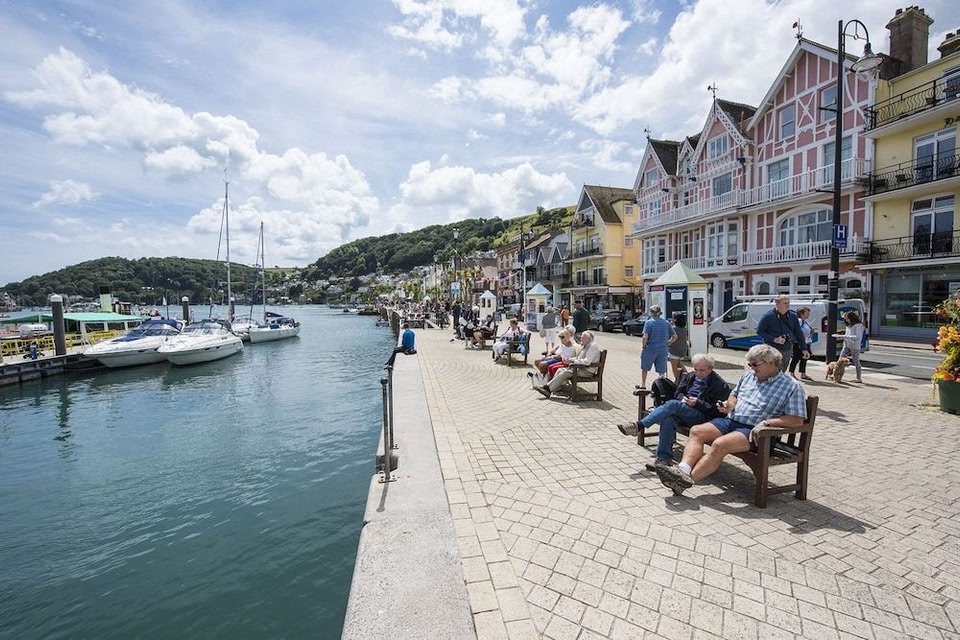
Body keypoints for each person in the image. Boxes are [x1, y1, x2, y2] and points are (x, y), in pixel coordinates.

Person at [655, 344, 807, 496]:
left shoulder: (791, 386)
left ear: (771, 362)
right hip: (731, 421)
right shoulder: (748, 376)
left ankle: (684, 481)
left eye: (755, 364)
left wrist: (768, 423)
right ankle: (682, 470)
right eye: (750, 364)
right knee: (697, 431)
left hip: (757, 432)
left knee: (720, 444)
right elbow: (734, 395)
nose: (752, 368)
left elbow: (796, 420)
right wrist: (729, 405)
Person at [617, 353, 730, 467]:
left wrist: (697, 403)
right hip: (684, 409)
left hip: (702, 416)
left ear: (710, 368)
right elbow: (678, 393)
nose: (697, 373)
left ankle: (639, 425)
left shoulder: (719, 385)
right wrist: (683, 399)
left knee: (673, 404)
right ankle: (663, 459)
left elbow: (717, 411)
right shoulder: (690, 376)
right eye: (695, 369)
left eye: (702, 370)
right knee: (668, 419)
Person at [534, 331, 601, 398]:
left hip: (587, 371)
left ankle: (547, 389)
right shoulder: (586, 346)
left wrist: (572, 361)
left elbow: (587, 362)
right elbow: (578, 358)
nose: (581, 339)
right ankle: (553, 388)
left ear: (588, 339)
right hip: (580, 368)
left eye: (583, 338)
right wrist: (570, 359)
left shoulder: (593, 346)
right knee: (560, 370)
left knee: (565, 373)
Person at [756, 295, 808, 373]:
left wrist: (804, 349)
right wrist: (774, 339)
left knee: (781, 372)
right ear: (777, 304)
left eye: (788, 303)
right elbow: (759, 331)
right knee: (771, 372)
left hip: (787, 349)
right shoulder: (768, 316)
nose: (788, 305)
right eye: (785, 303)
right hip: (772, 349)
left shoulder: (793, 316)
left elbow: (798, 333)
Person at [639, 305, 676, 388]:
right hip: (663, 349)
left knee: (645, 368)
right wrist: (668, 342)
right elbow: (675, 336)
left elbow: (645, 337)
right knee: (661, 370)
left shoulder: (648, 322)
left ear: (651, 313)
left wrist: (644, 346)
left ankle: (643, 384)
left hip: (650, 349)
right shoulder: (666, 323)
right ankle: (661, 387)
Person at [834, 310, 865, 383]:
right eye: (845, 319)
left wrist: (844, 336)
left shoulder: (858, 325)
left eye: (847, 319)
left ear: (852, 318)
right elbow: (847, 335)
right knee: (840, 360)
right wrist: (841, 337)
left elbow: (857, 337)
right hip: (847, 345)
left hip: (854, 346)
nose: (847, 320)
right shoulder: (849, 325)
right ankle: (836, 374)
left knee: (856, 361)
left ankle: (858, 378)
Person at [788, 307, 814, 381]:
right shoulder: (799, 321)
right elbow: (796, 331)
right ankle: (791, 373)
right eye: (807, 313)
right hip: (799, 343)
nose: (809, 314)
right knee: (796, 358)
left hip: (806, 342)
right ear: (802, 314)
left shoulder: (805, 322)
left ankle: (803, 373)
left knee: (804, 358)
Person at [668, 314, 689, 383]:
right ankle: (687, 378)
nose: (672, 320)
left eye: (673, 319)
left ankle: (677, 381)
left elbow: (673, 338)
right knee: (680, 364)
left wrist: (668, 343)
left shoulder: (674, 329)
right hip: (683, 348)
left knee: (675, 367)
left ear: (676, 320)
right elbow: (686, 338)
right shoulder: (684, 329)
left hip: (675, 349)